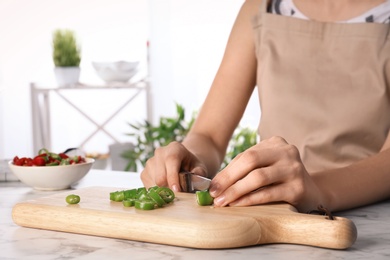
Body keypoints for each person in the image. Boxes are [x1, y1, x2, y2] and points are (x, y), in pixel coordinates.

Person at [141, 0, 390, 213]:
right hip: (271, 210)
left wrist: (317, 189)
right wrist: (188, 162)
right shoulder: (263, 7)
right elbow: (209, 135)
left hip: (367, 214)